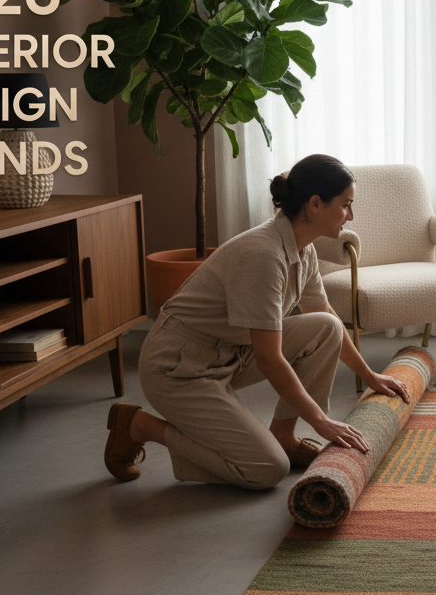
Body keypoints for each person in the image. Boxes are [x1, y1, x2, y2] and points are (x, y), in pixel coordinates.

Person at [103, 154, 410, 489]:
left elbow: (323, 312)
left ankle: (284, 437)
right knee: (265, 469)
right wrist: (322, 422)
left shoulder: (302, 249)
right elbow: (269, 358)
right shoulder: (263, 256)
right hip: (179, 370)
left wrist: (368, 375)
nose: (351, 216)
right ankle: (139, 425)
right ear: (315, 204)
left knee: (326, 326)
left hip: (229, 354)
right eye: (346, 204)